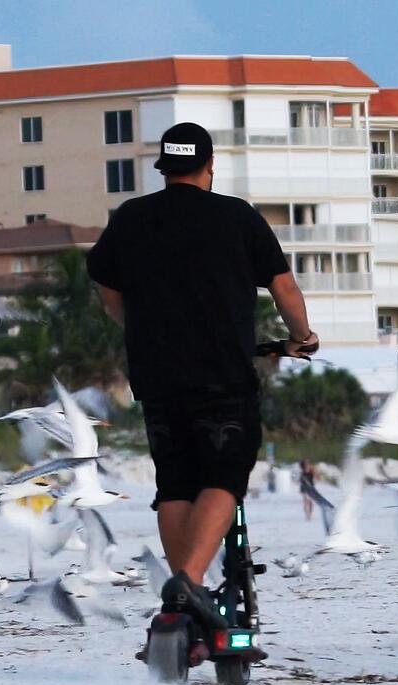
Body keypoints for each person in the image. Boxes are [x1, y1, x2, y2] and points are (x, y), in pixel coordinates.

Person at [87, 121, 317, 647]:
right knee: (224, 475)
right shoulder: (236, 215)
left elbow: (107, 285)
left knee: (175, 483)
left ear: (164, 166)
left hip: (158, 375)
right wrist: (300, 336)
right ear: (209, 168)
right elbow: (283, 285)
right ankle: (190, 581)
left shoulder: (132, 218)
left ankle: (180, 600)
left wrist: (139, 327)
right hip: (221, 374)